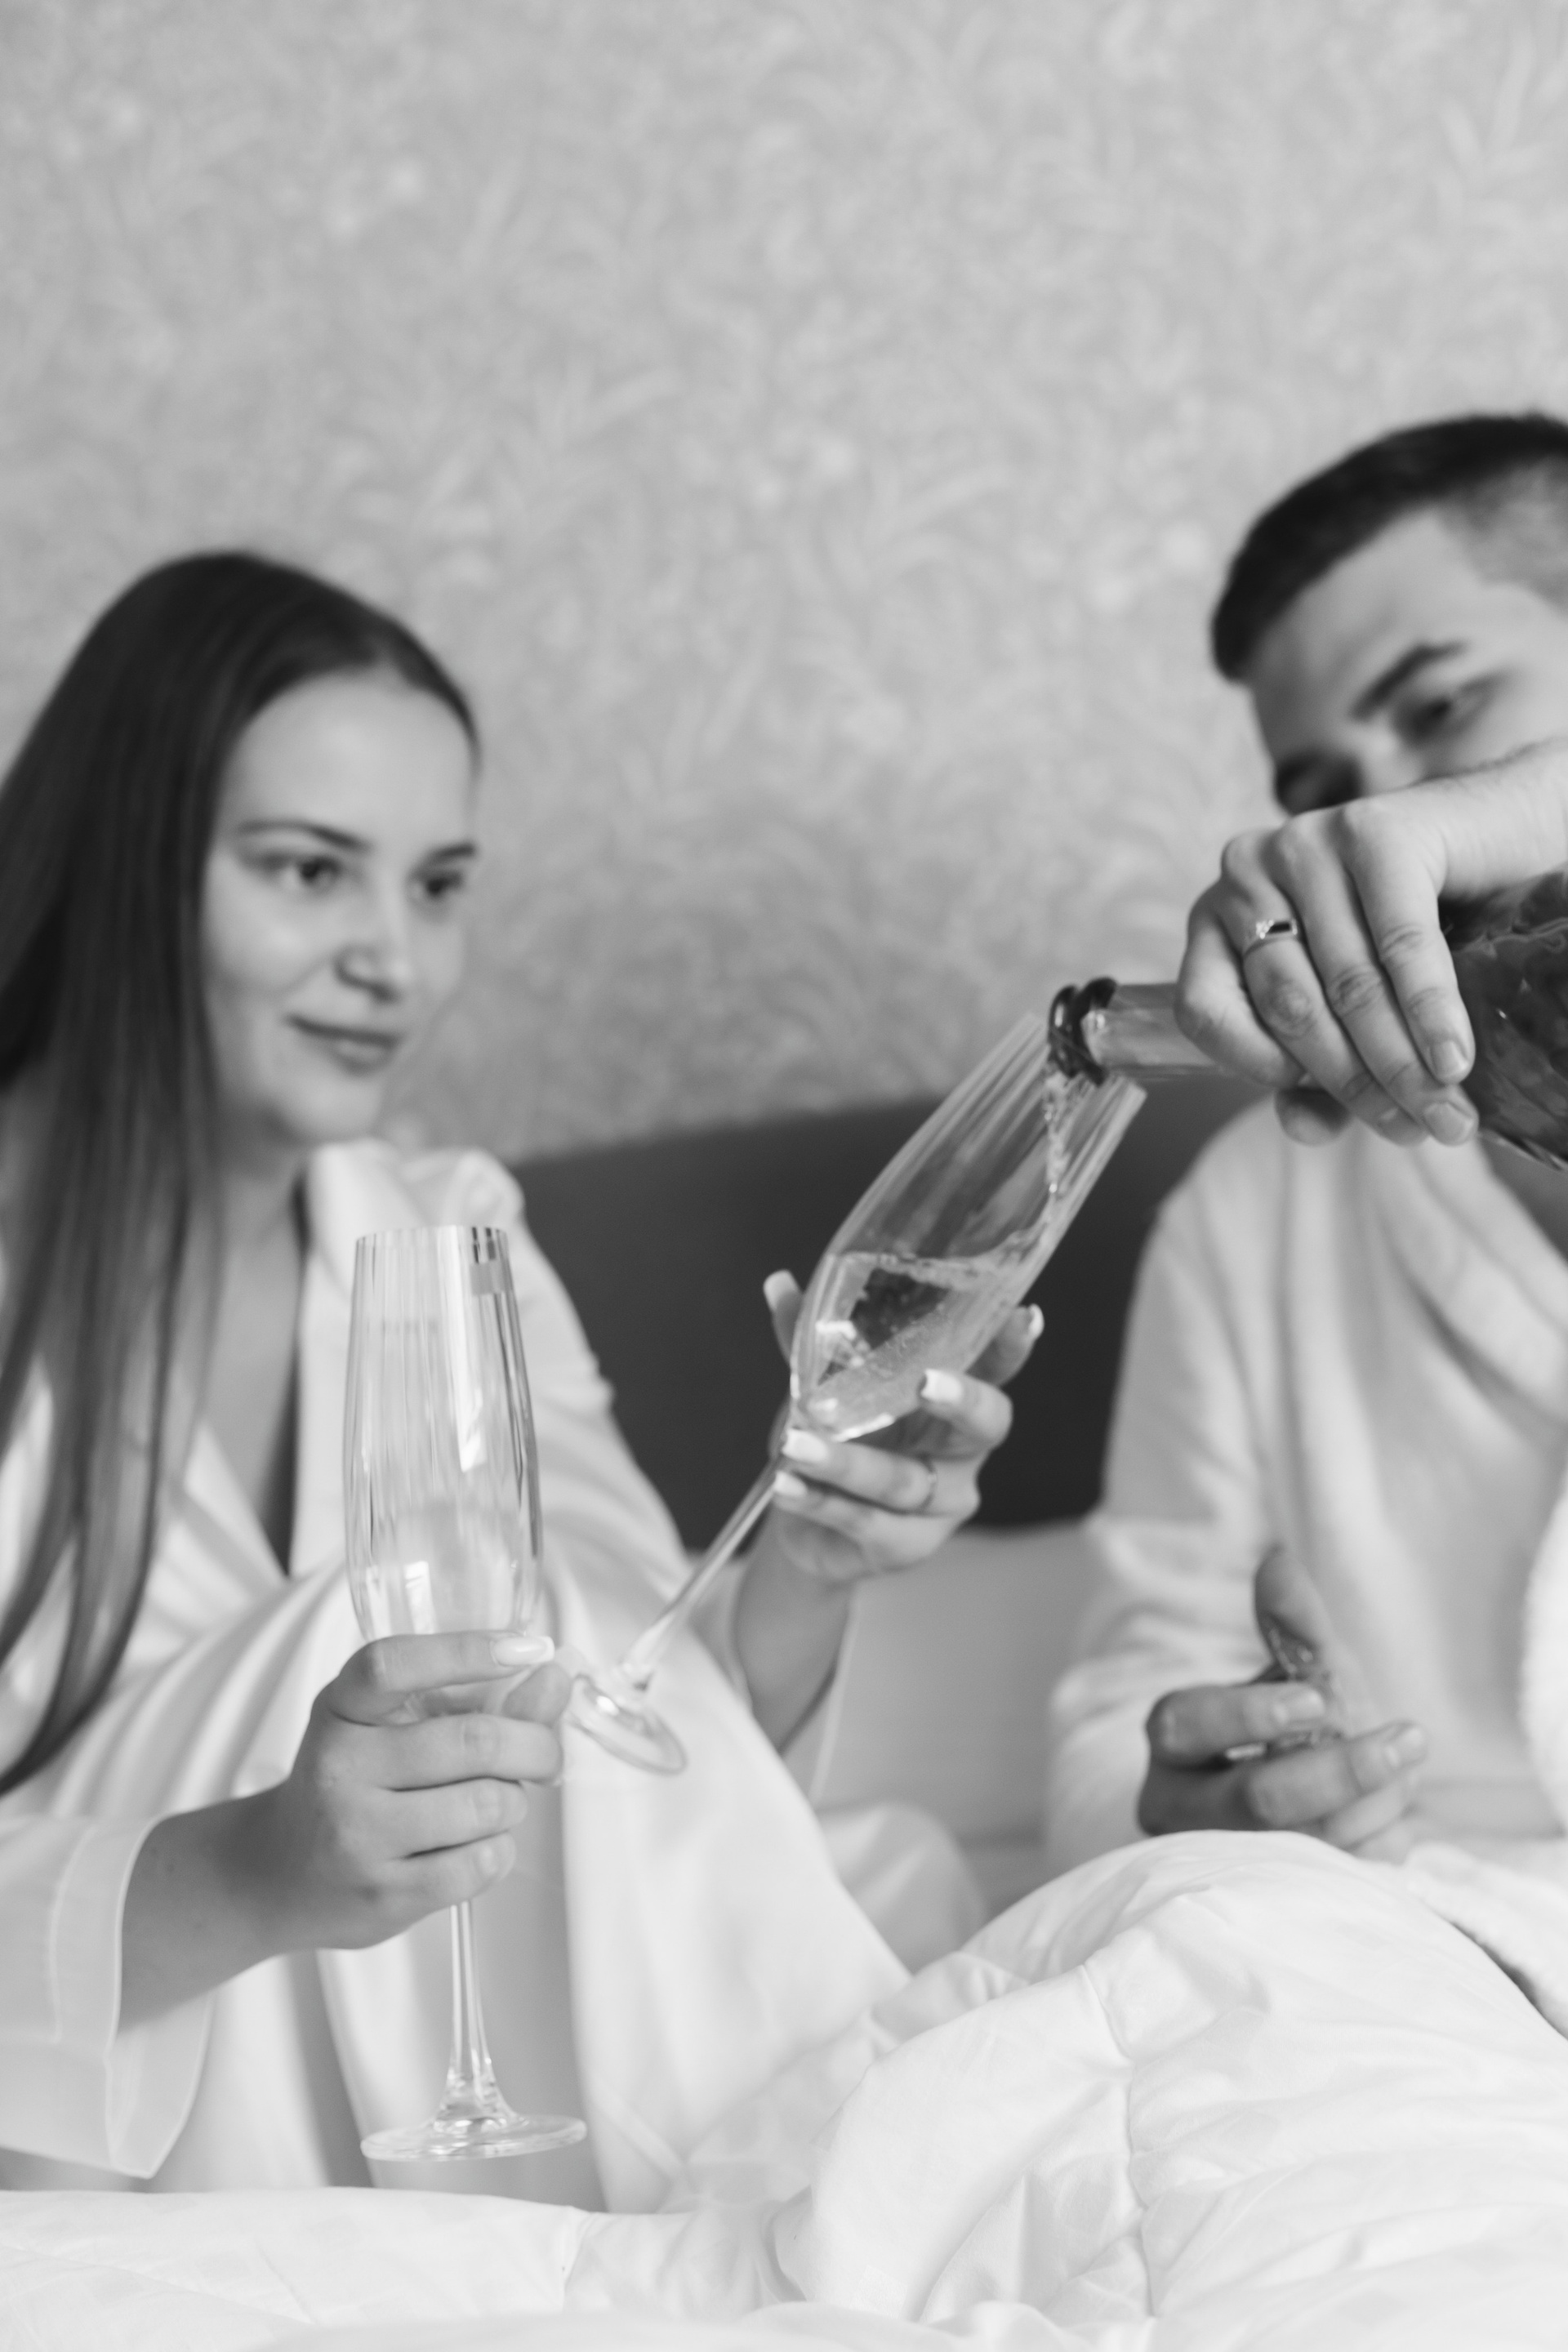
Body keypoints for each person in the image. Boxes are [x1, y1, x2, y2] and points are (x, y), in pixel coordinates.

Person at [0, 552, 1035, 2202]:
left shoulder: (448, 1229)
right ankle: (828, 2219)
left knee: (529, 1642)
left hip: (483, 2057)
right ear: (126, 858)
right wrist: (254, 1870)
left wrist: (806, 1568)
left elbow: (621, 1712)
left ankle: (815, 2226)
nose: (394, 961)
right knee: (379, 1639)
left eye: (437, 887)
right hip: (108, 2101)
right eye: (310, 871)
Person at [1044, 413, 1568, 1878]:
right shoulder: (1255, 1216)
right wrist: (1183, 1804)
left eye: (1442, 709)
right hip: (1424, 1944)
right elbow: (1122, 1712)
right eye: (1324, 790)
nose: (1377, 816)